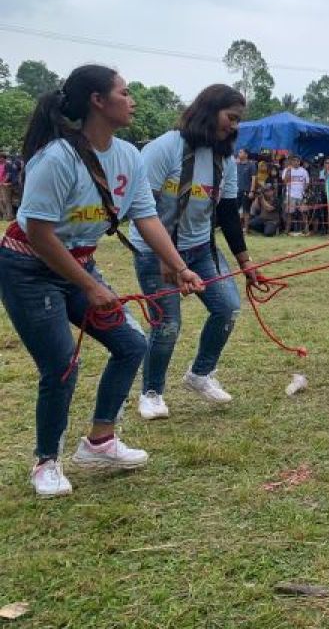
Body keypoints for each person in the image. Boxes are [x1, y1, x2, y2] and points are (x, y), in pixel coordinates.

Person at [0, 65, 205, 498]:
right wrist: (90, 286)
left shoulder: (129, 155)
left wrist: (179, 267)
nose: (132, 100)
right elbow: (38, 233)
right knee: (60, 366)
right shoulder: (57, 159)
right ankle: (46, 461)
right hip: (30, 270)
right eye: (124, 92)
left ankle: (100, 441)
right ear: (98, 100)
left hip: (78, 265)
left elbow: (146, 219)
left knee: (132, 344)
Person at [130, 85, 261, 418]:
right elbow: (144, 208)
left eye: (238, 121)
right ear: (208, 110)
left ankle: (200, 373)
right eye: (230, 118)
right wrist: (166, 259)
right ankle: (151, 392)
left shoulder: (225, 159)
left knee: (228, 308)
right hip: (153, 251)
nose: (234, 126)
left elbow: (229, 213)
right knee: (168, 323)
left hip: (201, 249)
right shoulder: (164, 149)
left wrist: (246, 263)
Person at [282, 155, 309, 235]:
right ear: (291, 161)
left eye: (297, 161)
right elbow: (285, 181)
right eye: (294, 161)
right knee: (289, 213)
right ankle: (287, 230)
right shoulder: (286, 170)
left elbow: (307, 183)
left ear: (299, 162)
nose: (296, 162)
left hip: (301, 195)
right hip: (290, 195)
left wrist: (304, 191)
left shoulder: (304, 171)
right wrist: (288, 171)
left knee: (303, 213)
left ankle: (306, 230)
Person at [235, 150, 256, 230]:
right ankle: (236, 228)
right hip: (236, 191)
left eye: (241, 152)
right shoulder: (236, 164)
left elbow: (254, 179)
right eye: (239, 152)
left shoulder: (251, 165)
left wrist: (252, 191)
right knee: (235, 210)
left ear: (246, 154)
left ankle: (246, 229)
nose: (239, 153)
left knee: (246, 211)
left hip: (246, 191)